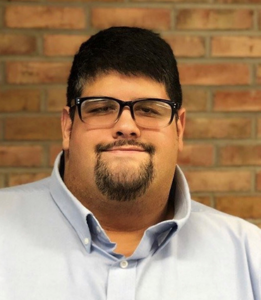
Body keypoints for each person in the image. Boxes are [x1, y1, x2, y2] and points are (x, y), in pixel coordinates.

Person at [0, 26, 260, 300]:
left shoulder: (249, 255)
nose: (127, 126)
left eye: (149, 109)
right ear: (67, 127)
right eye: (101, 108)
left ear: (179, 130)